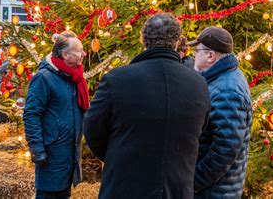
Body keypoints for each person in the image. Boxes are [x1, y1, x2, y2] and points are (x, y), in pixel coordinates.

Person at [84, 13, 211, 199]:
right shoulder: (198, 84)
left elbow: (93, 130)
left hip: (125, 185)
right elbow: (202, 130)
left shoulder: (117, 80)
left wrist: (119, 156)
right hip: (176, 187)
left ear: (143, 40)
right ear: (177, 42)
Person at [189, 26, 252, 199]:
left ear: (211, 55)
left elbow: (224, 150)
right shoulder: (220, 76)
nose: (194, 54)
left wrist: (194, 181)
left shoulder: (227, 91)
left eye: (197, 50)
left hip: (214, 191)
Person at [23, 31, 88, 199]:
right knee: (48, 194)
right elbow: (31, 114)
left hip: (69, 153)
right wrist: (37, 149)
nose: (83, 54)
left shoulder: (74, 78)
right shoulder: (44, 78)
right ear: (65, 54)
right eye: (79, 50)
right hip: (51, 154)